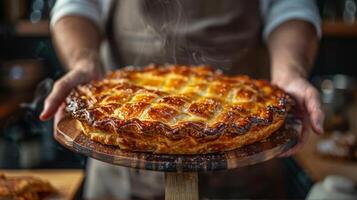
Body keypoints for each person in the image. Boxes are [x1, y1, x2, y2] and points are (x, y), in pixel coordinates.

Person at [40, 0, 324, 199]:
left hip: (247, 171)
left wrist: (289, 73)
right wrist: (83, 64)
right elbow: (76, 6)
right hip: (118, 171)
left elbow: (292, 7)